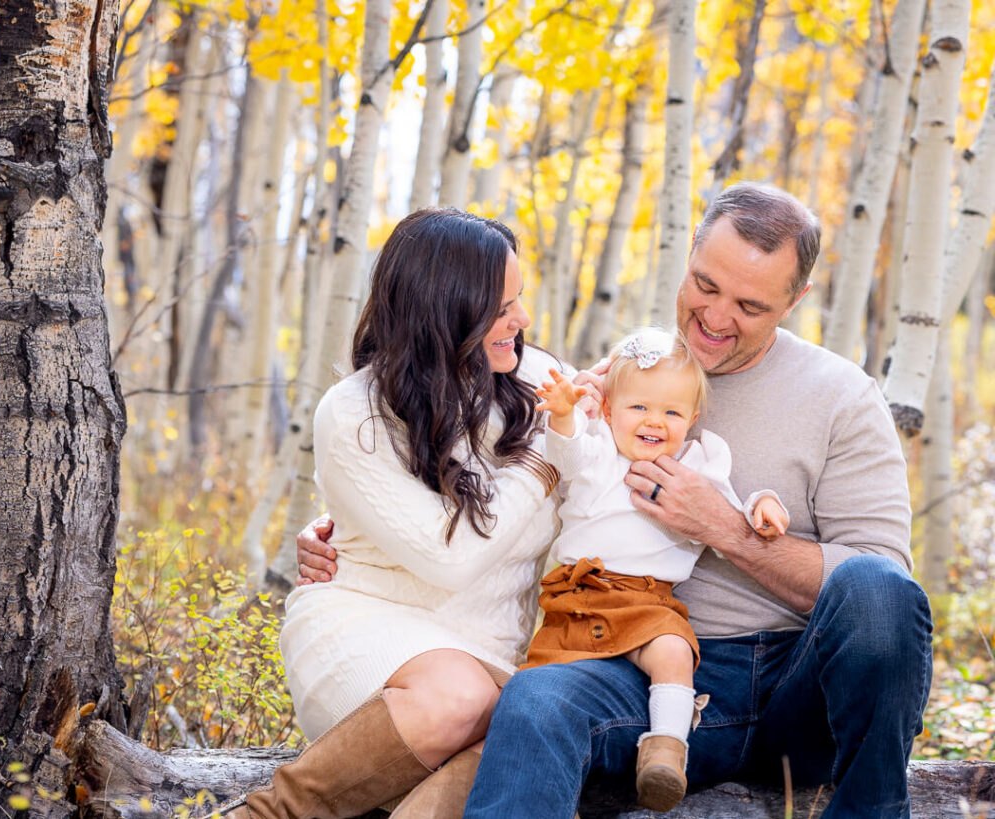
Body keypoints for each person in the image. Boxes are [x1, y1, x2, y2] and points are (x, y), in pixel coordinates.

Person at [299, 183, 932, 817]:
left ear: (795, 300)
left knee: (878, 585)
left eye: (749, 304)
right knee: (535, 698)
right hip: (633, 664)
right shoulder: (620, 375)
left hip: (803, 688)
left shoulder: (842, 397)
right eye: (705, 286)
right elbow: (515, 471)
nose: (715, 318)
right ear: (688, 256)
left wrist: (726, 530)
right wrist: (346, 531)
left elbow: (882, 599)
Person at [214, 207, 566, 819]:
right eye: (502, 307)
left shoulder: (539, 382)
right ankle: (270, 813)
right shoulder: (356, 413)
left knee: (532, 724)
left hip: (491, 655)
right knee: (464, 702)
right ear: (447, 310)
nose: (523, 321)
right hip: (368, 630)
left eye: (520, 299)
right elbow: (448, 559)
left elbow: (641, 435)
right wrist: (541, 466)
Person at [524, 326, 788, 812]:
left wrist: (761, 503)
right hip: (579, 599)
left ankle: (666, 751)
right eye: (639, 408)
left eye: (671, 412)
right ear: (607, 410)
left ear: (692, 417)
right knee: (537, 693)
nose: (655, 422)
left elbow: (726, 512)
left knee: (674, 650)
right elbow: (567, 454)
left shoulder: (699, 463)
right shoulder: (599, 449)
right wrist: (563, 413)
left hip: (649, 600)